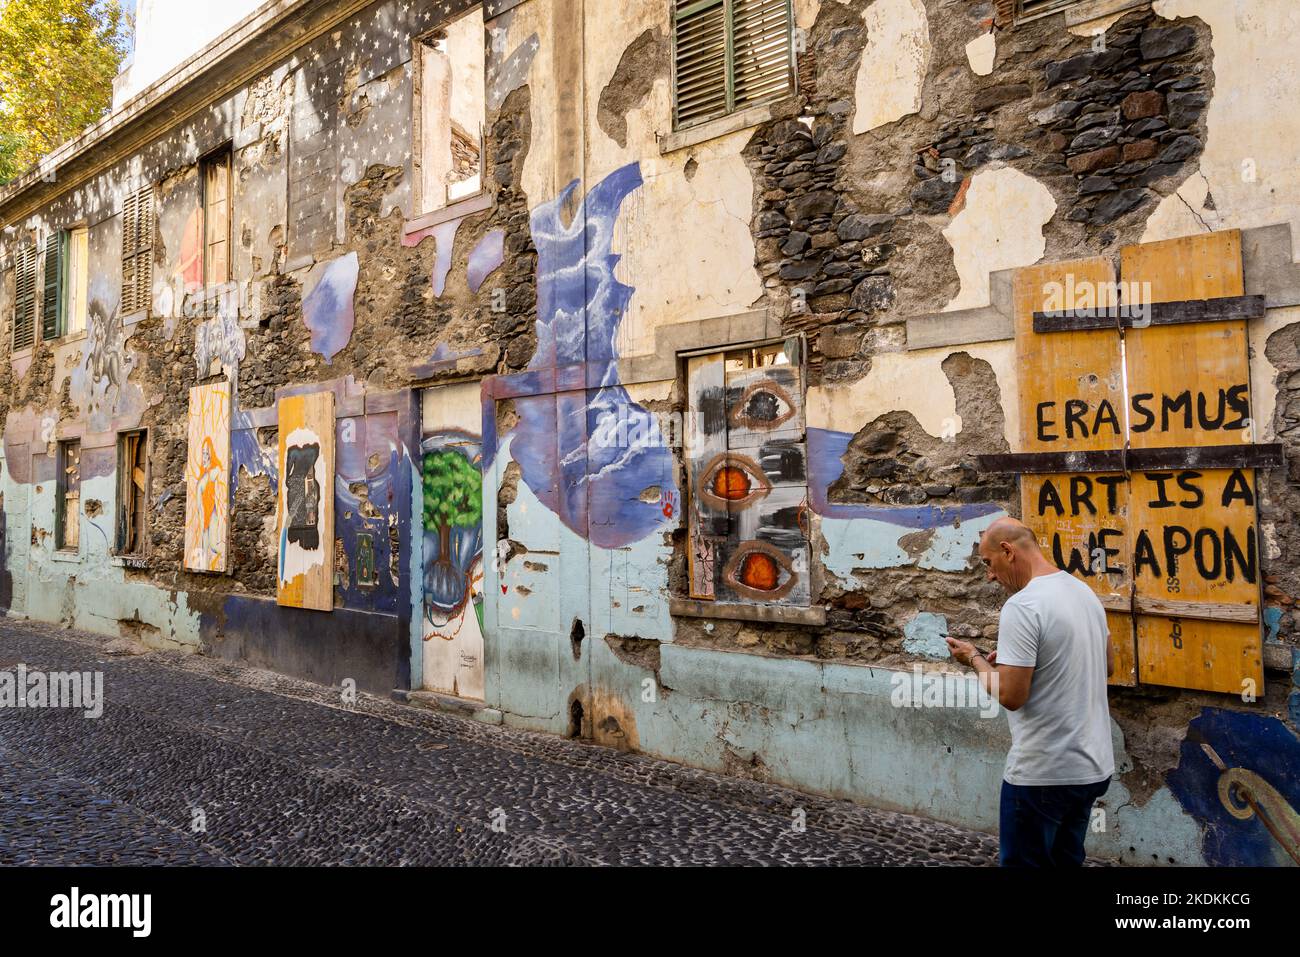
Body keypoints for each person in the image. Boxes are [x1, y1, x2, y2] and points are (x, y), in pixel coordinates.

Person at [945, 517, 1115, 867]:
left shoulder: (1023, 606)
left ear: (1007, 551)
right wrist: (1020, 662)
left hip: (1044, 774)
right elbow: (1107, 666)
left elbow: (1010, 696)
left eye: (988, 564)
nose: (989, 575)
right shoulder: (1083, 592)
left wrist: (975, 659)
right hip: (1092, 767)